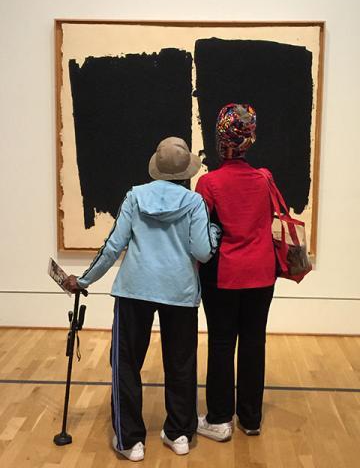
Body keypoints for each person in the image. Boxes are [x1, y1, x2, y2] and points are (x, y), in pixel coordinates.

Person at [63, 137, 220, 461]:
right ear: (185, 171)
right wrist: (214, 234)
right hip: (179, 292)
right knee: (181, 365)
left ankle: (130, 440)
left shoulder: (135, 196)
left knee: (126, 365)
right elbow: (203, 251)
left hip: (135, 289)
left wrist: (84, 280)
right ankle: (178, 434)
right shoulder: (193, 203)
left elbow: (112, 246)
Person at [195, 103, 276, 442]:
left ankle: (218, 419)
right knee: (254, 343)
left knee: (222, 342)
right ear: (250, 139)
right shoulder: (264, 178)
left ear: (220, 140)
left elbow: (199, 234)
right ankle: (251, 418)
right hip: (262, 273)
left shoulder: (208, 183)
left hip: (223, 275)